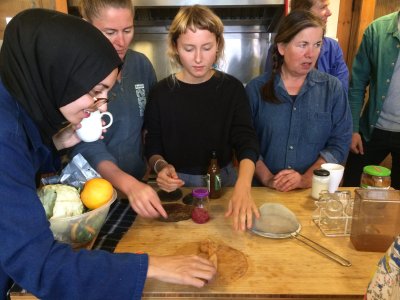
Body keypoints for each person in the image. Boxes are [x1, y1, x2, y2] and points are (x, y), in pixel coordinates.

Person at [0, 9, 215, 299]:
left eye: (106, 95)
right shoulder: (3, 134)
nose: (101, 108)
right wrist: (153, 266)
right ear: (59, 72)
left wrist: (55, 143)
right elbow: (40, 265)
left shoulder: (19, 101)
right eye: (95, 92)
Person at [144, 5, 260, 231]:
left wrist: (244, 186)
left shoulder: (232, 89)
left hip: (225, 183)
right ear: (175, 47)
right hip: (178, 188)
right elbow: (153, 146)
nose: (198, 58)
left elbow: (246, 140)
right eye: (189, 48)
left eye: (206, 47)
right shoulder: (161, 93)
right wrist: (161, 167)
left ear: (218, 45)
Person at [70, 0, 166, 219]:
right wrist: (128, 184)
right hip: (92, 196)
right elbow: (86, 145)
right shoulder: (75, 71)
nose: (121, 42)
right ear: (87, 26)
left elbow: (149, 126)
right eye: (110, 32)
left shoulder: (140, 65)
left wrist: (156, 165)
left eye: (128, 30)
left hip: (137, 187)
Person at [246, 10, 352, 192]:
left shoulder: (332, 89)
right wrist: (269, 179)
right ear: (282, 47)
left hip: (314, 192)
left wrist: (305, 179)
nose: (310, 54)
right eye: (302, 45)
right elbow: (246, 142)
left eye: (317, 44)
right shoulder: (256, 89)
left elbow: (339, 142)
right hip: (263, 192)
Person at [342, 11, 400, 189]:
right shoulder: (377, 31)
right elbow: (357, 85)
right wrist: (353, 129)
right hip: (371, 130)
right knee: (352, 184)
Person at [265, 0, 349, 93]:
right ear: (304, 11)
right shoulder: (277, 49)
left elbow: (342, 93)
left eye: (317, 44)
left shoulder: (333, 48)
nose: (329, 13)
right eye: (323, 7)